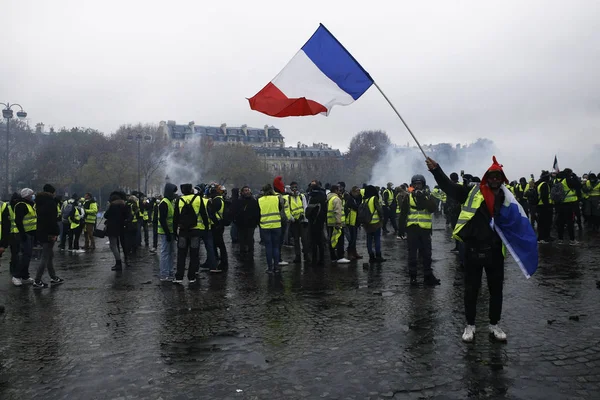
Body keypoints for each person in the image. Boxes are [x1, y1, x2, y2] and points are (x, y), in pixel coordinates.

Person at [427, 155, 508, 342]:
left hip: (496, 251)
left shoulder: (507, 196)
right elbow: (449, 187)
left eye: (498, 177)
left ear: (502, 179)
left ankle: (494, 324)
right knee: (471, 289)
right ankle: (470, 325)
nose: (495, 180)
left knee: (496, 290)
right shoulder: (473, 192)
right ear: (487, 178)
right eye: (492, 177)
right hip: (473, 249)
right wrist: (436, 170)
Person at [398, 175, 439, 286]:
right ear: (412, 185)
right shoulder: (408, 197)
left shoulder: (428, 195)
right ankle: (413, 277)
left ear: (423, 184)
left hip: (425, 230)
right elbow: (403, 213)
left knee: (427, 254)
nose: (417, 186)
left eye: (419, 184)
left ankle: (428, 276)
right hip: (412, 229)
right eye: (415, 184)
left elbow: (432, 209)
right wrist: (400, 229)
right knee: (412, 254)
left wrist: (422, 197)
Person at [33, 184, 64, 288]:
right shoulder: (51, 203)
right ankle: (37, 280)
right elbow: (52, 220)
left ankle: (53, 277)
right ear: (52, 192)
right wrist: (55, 233)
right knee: (45, 257)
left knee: (49, 255)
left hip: (41, 231)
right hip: (49, 232)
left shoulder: (38, 202)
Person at [258, 183, 284, 273]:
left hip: (265, 226)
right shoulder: (277, 198)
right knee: (276, 247)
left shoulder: (260, 200)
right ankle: (276, 267)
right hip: (276, 225)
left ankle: (269, 268)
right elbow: (280, 208)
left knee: (268, 247)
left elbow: (258, 212)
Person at [14, 188, 37, 286]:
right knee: (24, 256)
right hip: (25, 234)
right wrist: (22, 234)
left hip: (30, 233)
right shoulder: (21, 205)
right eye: (31, 194)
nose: (33, 195)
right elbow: (18, 221)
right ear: (26, 195)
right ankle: (16, 276)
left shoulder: (29, 205)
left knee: (28, 256)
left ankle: (25, 276)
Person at [104, 191, 131, 271]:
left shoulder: (112, 206)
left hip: (112, 227)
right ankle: (126, 258)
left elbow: (106, 215)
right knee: (123, 243)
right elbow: (128, 216)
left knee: (113, 245)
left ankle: (118, 263)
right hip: (122, 227)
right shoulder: (124, 205)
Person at [158, 183, 178, 281]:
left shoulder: (170, 202)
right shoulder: (164, 203)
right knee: (165, 253)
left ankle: (170, 272)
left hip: (170, 232)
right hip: (165, 232)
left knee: (171, 253)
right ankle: (164, 274)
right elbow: (162, 220)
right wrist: (167, 233)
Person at [234, 186, 260, 259]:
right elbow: (235, 212)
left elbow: (257, 212)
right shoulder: (239, 201)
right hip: (241, 224)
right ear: (242, 192)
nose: (247, 192)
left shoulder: (253, 201)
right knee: (241, 239)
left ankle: (250, 253)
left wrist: (256, 222)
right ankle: (242, 252)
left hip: (251, 224)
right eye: (245, 190)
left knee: (250, 239)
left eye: (248, 190)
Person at [327, 184, 350, 263]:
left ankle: (333, 257)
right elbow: (337, 211)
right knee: (340, 240)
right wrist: (338, 222)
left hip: (330, 223)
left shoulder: (329, 198)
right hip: (337, 224)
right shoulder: (336, 199)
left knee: (332, 240)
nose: (340, 192)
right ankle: (340, 257)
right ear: (336, 191)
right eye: (339, 190)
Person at [363, 185, 385, 262]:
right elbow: (379, 210)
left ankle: (371, 256)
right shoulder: (374, 198)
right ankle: (378, 256)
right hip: (375, 223)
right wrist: (382, 218)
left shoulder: (365, 199)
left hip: (367, 223)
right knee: (377, 239)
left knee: (369, 240)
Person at [306, 181, 327, 266]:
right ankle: (321, 260)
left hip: (313, 222)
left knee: (313, 242)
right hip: (321, 221)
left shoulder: (312, 197)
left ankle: (314, 260)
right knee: (320, 242)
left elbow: (308, 211)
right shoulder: (323, 195)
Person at [288, 182, 309, 263]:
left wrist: (304, 218)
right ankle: (298, 256)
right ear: (290, 188)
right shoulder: (288, 198)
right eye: (292, 187)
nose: (294, 189)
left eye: (295, 187)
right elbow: (288, 210)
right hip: (294, 222)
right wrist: (292, 218)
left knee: (304, 239)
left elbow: (305, 207)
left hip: (302, 220)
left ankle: (306, 255)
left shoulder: (301, 196)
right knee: (296, 240)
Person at [344, 186, 362, 259]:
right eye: (357, 191)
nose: (358, 193)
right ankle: (350, 253)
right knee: (352, 238)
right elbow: (356, 207)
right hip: (351, 221)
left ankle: (354, 252)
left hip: (356, 220)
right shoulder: (350, 199)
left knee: (354, 238)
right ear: (353, 192)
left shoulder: (356, 199)